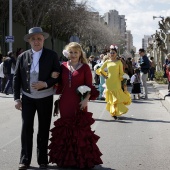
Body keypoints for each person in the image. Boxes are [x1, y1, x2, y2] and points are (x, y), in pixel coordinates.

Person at [48, 42, 103, 169]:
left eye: (75, 52)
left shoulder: (85, 68)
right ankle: (66, 159)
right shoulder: (62, 67)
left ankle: (80, 159)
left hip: (80, 101)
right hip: (65, 102)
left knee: (80, 128)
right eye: (71, 52)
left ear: (80, 53)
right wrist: (53, 77)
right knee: (66, 127)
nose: (73, 55)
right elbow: (58, 84)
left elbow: (90, 86)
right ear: (67, 53)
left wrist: (86, 100)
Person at [13, 27, 60, 170]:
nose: (36, 41)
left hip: (45, 97)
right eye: (33, 39)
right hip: (27, 98)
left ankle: (42, 160)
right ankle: (24, 160)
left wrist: (45, 83)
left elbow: (58, 73)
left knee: (44, 128)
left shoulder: (52, 55)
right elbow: (17, 78)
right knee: (26, 128)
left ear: (43, 39)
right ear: (29, 41)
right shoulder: (22, 56)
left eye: (39, 38)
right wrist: (16, 98)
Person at [96, 46, 131, 120]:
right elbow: (100, 69)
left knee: (117, 97)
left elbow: (121, 72)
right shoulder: (107, 61)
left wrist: (124, 78)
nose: (112, 54)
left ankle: (115, 112)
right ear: (109, 54)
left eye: (113, 53)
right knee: (111, 98)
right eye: (111, 53)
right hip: (109, 82)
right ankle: (113, 112)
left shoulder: (119, 62)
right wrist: (104, 76)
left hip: (117, 81)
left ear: (116, 54)